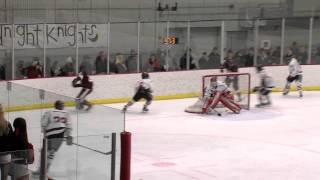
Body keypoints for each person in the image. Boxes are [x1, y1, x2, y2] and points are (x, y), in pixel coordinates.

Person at [34, 101, 72, 179]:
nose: (63, 106)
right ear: (59, 106)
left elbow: (43, 123)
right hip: (60, 136)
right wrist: (68, 135)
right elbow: (69, 125)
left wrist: (44, 131)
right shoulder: (66, 113)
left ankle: (41, 170)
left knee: (45, 152)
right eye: (63, 105)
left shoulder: (49, 112)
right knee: (51, 152)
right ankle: (45, 170)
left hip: (50, 135)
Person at [0, 104, 13, 180]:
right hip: (6, 156)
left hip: (5, 155)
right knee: (4, 178)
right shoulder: (7, 124)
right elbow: (11, 140)